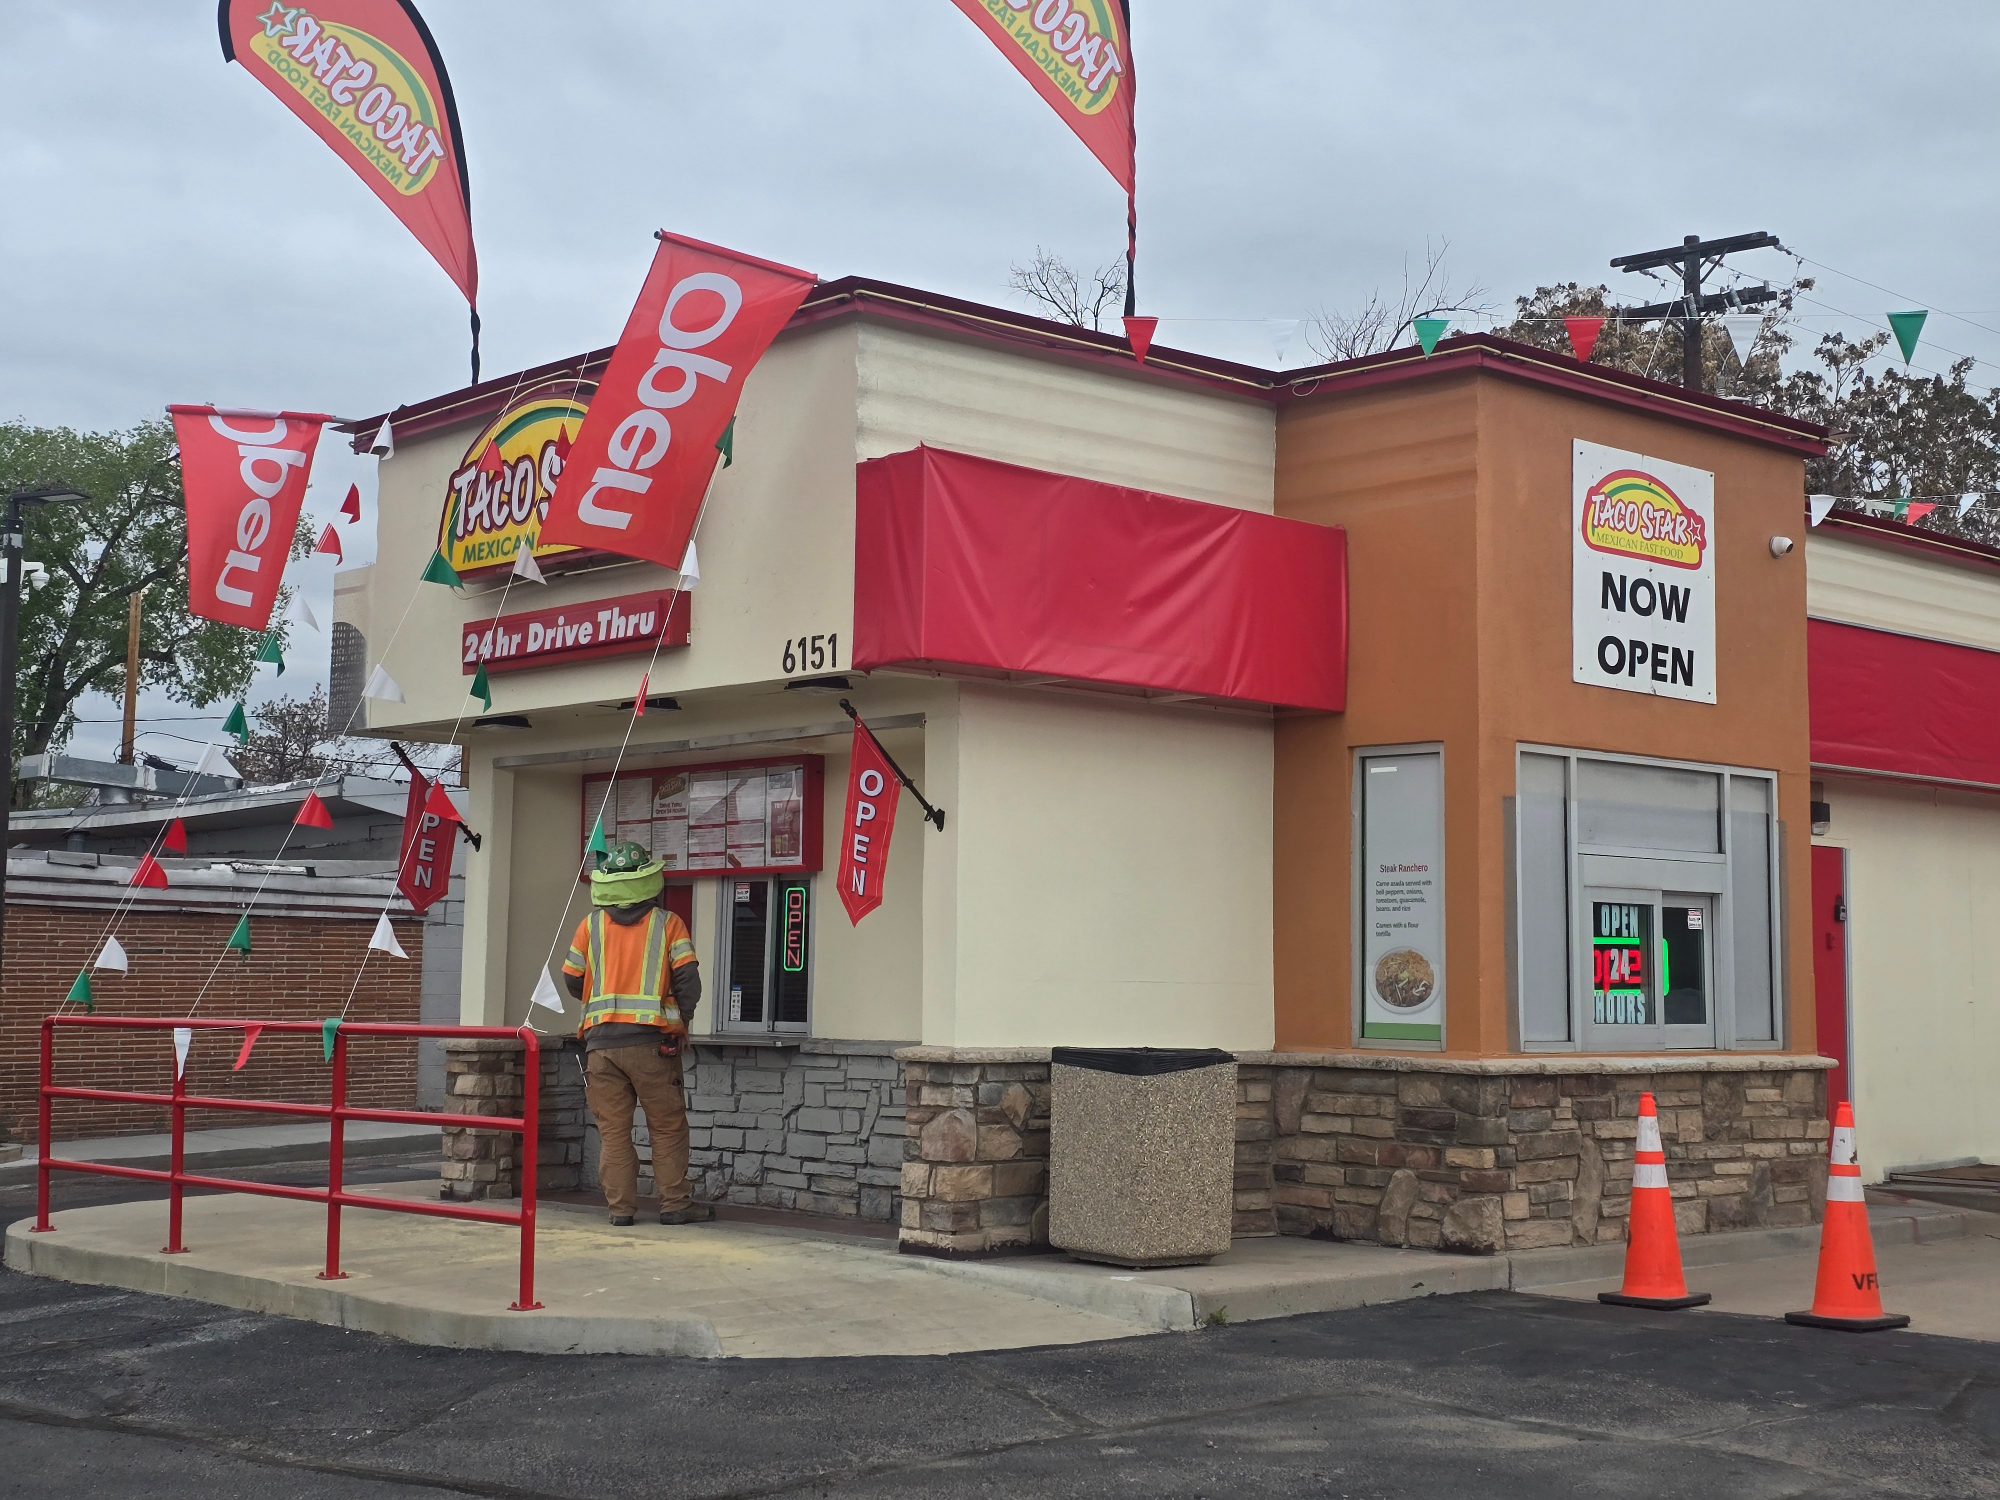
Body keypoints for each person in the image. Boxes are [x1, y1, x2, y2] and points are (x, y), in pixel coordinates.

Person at [562, 840, 712, 1227]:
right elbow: (688, 979)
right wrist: (683, 1020)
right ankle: (675, 1205)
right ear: (649, 879)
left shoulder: (590, 925)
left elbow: (572, 979)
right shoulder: (668, 922)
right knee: (667, 1127)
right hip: (653, 1045)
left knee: (613, 1133)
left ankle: (621, 1211)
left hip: (600, 1048)